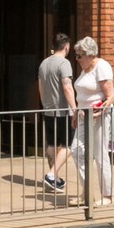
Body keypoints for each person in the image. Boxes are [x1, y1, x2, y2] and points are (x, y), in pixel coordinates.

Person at [69, 37, 114, 204]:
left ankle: (107, 195)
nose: (77, 59)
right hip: (83, 116)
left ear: (90, 54)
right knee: (76, 150)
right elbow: (81, 94)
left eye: (80, 55)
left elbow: (110, 96)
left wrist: (100, 112)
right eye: (76, 55)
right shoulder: (85, 68)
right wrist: (75, 113)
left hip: (98, 116)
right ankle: (87, 191)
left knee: (100, 154)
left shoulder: (101, 66)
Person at [37, 34, 76, 194]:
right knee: (69, 145)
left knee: (52, 145)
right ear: (66, 47)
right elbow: (67, 87)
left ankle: (55, 180)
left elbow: (40, 86)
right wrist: (74, 108)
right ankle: (52, 175)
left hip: (48, 110)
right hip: (62, 111)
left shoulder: (44, 63)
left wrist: (45, 104)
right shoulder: (64, 63)